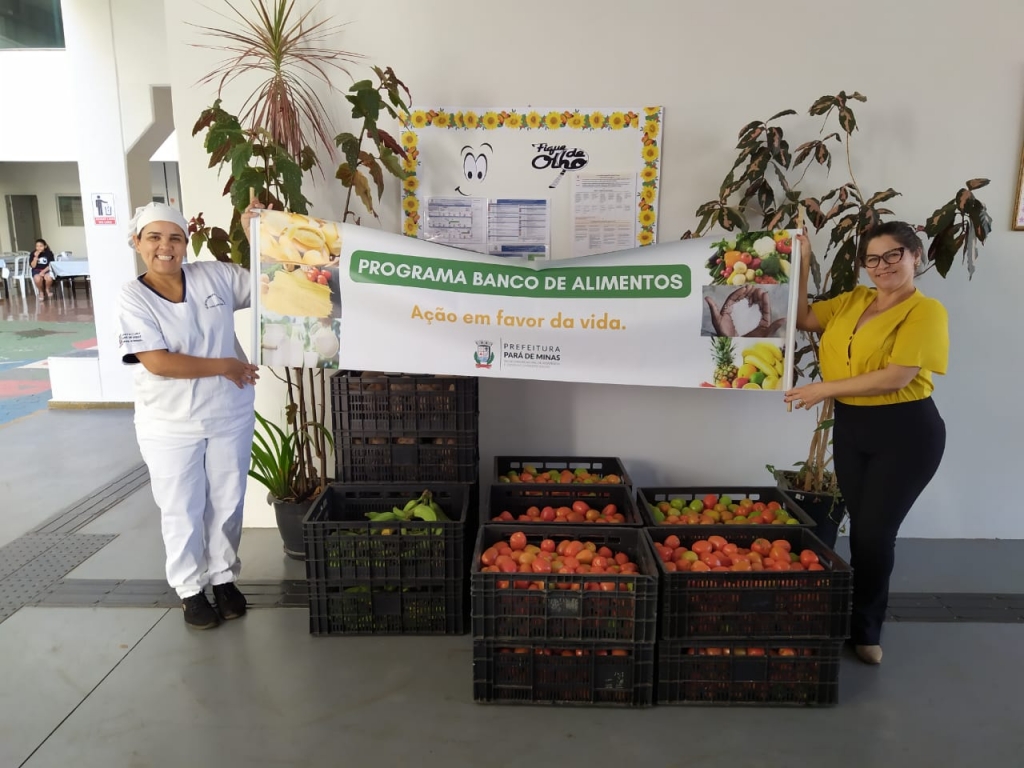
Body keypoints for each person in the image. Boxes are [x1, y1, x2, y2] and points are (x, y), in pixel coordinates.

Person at [784, 221, 948, 666]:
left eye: (893, 255)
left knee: (875, 535)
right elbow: (802, 319)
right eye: (872, 259)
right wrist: (801, 263)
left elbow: (898, 375)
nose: (882, 266)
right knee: (859, 530)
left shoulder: (925, 310)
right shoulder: (853, 300)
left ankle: (866, 629)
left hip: (907, 432)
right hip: (853, 428)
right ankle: (854, 615)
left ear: (916, 256)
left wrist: (825, 389)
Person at [116, 201, 263, 630]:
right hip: (170, 422)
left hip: (228, 412)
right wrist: (225, 365)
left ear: (186, 242)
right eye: (154, 238)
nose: (166, 247)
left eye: (175, 238)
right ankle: (189, 589)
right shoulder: (132, 295)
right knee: (181, 506)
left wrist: (257, 237)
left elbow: (266, 287)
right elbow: (158, 362)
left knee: (228, 499)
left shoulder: (213, 276)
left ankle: (222, 578)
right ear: (137, 243)